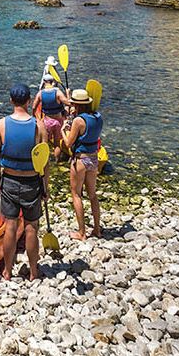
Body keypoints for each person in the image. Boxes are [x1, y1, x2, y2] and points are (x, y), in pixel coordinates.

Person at [0, 84, 48, 282]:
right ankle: (33, 272)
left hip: (9, 179)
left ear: (10, 101)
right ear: (28, 101)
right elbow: (44, 160)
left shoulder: (1, 124)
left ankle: (7, 272)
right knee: (32, 227)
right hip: (32, 182)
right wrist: (45, 186)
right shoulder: (39, 126)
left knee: (10, 226)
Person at [62, 88, 103, 241]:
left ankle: (81, 232)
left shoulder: (79, 121)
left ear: (76, 105)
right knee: (92, 194)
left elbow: (68, 143)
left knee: (76, 194)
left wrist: (63, 130)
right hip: (93, 158)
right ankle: (97, 229)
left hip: (80, 160)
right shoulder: (98, 118)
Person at [32, 74, 69, 158]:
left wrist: (33, 115)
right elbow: (68, 103)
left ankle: (45, 161)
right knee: (57, 143)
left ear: (44, 82)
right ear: (52, 82)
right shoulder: (58, 92)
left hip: (47, 121)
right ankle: (57, 161)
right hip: (58, 121)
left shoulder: (40, 93)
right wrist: (68, 94)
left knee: (44, 142)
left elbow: (34, 106)